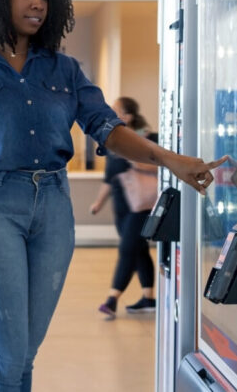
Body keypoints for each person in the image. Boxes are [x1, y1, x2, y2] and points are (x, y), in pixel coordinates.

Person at [0, 0, 226, 390]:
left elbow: (107, 129)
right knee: (3, 357)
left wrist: (172, 159)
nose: (39, 3)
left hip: (53, 210)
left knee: (24, 357)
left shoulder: (65, 70)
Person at [90, 97, 159, 318]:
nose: (111, 111)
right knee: (138, 250)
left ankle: (112, 299)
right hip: (122, 203)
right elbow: (110, 178)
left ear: (128, 116)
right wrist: (99, 202)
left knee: (127, 249)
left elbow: (159, 166)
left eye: (116, 110)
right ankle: (148, 297)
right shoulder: (114, 139)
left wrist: (132, 155)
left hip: (142, 203)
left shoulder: (147, 138)